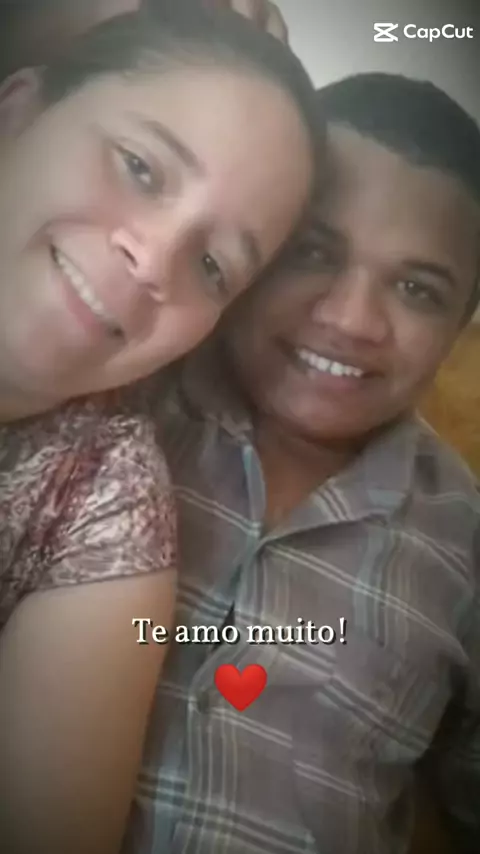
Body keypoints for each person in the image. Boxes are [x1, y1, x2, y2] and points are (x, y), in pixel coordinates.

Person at [122, 73, 480, 854]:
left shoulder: (467, 546)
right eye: (313, 251)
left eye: (417, 289)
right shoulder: (122, 397)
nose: (350, 319)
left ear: (461, 325)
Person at [0, 5, 319, 853]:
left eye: (213, 266)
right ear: (18, 110)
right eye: (140, 167)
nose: (153, 260)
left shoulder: (105, 497)